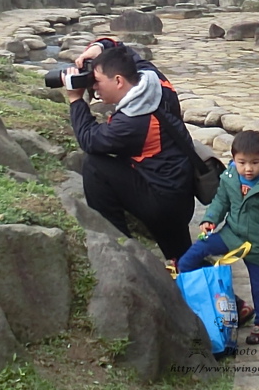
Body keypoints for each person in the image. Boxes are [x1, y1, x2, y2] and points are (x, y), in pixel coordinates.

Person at [63, 37, 195, 262]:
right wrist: (98, 49)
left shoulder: (131, 123)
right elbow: (124, 52)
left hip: (163, 204)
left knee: (94, 165)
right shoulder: (157, 83)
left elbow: (89, 139)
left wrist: (76, 100)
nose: (94, 87)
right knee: (185, 261)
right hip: (180, 193)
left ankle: (118, 242)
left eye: (97, 81)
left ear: (118, 81)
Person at [177, 130, 259, 345]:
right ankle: (237, 306)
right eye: (242, 162)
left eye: (255, 162)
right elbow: (220, 201)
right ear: (233, 159)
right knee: (190, 258)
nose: (248, 169)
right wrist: (210, 219)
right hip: (231, 234)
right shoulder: (230, 177)